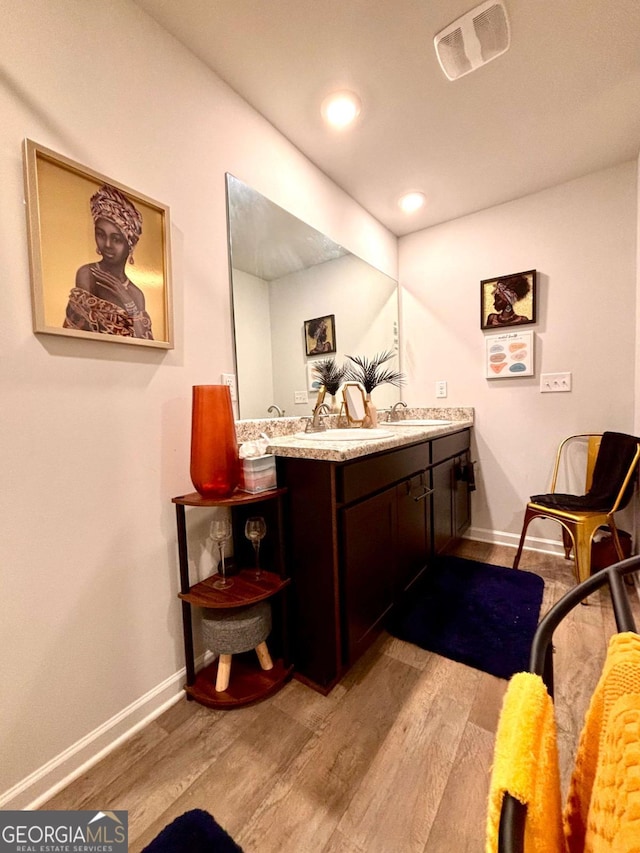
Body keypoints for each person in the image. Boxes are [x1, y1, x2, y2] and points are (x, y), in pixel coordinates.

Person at [64, 184, 153, 339]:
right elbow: (80, 336)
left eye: (116, 239)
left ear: (130, 244)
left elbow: (145, 342)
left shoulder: (137, 294)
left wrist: (126, 299)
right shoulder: (87, 274)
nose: (107, 244)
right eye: (101, 234)